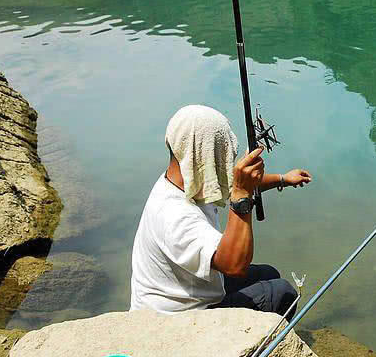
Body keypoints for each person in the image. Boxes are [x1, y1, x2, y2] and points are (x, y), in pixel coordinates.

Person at [130, 104, 312, 319]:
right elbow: (234, 265)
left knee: (267, 274)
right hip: (174, 317)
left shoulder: (184, 178)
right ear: (204, 155)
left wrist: (282, 178)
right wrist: (241, 195)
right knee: (281, 294)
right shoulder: (175, 215)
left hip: (188, 290)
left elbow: (228, 184)